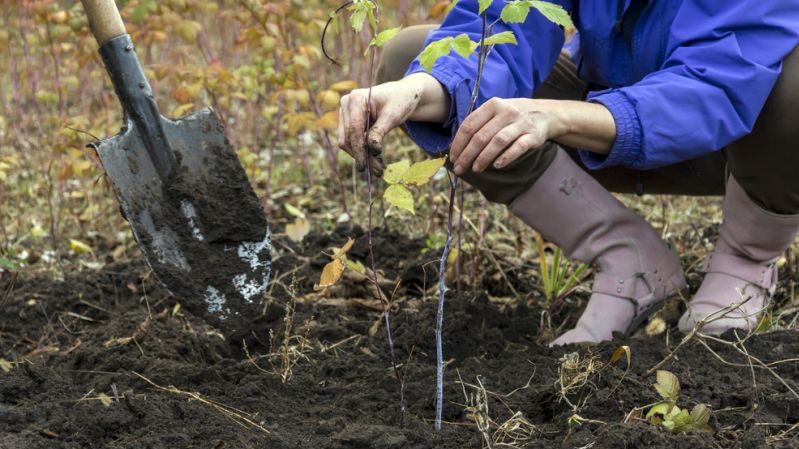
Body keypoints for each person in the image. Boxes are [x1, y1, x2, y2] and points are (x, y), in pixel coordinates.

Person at [337, 0, 799, 345]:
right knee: (410, 58)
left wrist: (558, 117)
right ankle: (629, 256)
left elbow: (715, 87)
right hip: (606, 119)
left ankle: (745, 260)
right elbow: (505, 20)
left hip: (737, 142)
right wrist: (424, 88)